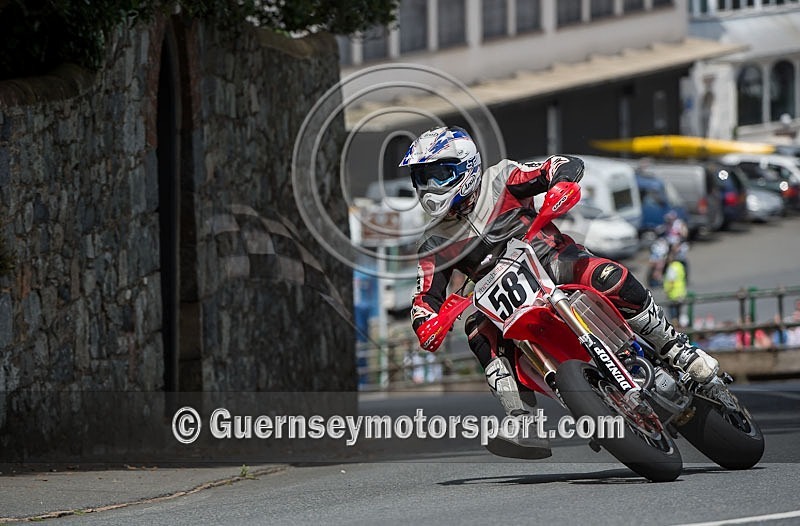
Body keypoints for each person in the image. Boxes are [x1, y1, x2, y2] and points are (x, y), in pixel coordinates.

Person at [400, 126, 719, 456]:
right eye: (422, 178)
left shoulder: (502, 178)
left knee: (606, 275)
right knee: (476, 330)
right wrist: (425, 321)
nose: (429, 187)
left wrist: (562, 182)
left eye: (438, 175)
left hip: (552, 260)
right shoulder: (433, 241)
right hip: (503, 302)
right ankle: (522, 418)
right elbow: (425, 294)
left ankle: (676, 348)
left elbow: (557, 165)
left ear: (465, 167)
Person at [662, 248, 688, 325]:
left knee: (673, 314)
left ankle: (676, 327)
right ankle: (680, 325)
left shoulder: (671, 268)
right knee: (679, 312)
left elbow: (671, 281)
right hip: (681, 292)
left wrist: (667, 290)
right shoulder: (679, 266)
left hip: (673, 294)